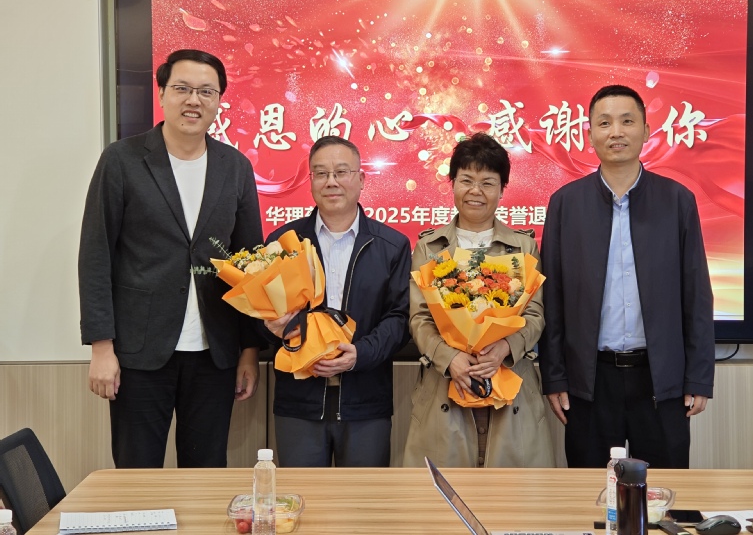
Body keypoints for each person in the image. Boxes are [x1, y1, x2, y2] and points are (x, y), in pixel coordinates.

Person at [78, 49, 263, 468]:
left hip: (214, 353)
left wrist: (249, 350)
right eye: (182, 88)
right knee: (137, 472)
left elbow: (251, 264)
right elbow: (95, 256)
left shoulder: (235, 167)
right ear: (161, 93)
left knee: (206, 472)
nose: (194, 100)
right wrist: (102, 347)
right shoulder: (122, 160)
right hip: (139, 352)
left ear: (219, 101)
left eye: (206, 91)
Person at [538, 84, 715, 469]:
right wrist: (554, 377)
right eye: (604, 123)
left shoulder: (677, 200)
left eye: (627, 121)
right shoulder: (565, 203)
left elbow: (697, 295)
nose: (616, 132)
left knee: (665, 491)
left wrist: (699, 377)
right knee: (591, 491)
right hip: (590, 380)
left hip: (660, 379)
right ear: (589, 135)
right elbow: (552, 299)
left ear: (646, 130)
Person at [402, 132, 555, 469]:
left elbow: (535, 314)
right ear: (452, 184)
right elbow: (420, 318)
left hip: (511, 386)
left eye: (487, 183)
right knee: (443, 495)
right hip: (446, 386)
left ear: (502, 189)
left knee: (513, 496)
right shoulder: (430, 247)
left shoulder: (523, 246)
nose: (475, 191)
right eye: (466, 180)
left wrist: (505, 348)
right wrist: (451, 358)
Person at [264, 136, 411, 467]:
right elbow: (262, 314)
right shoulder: (283, 243)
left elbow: (400, 319)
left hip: (365, 402)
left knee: (362, 498)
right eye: (321, 173)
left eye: (341, 172)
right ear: (310, 181)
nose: (331, 181)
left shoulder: (392, 246)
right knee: (300, 495)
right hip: (298, 402)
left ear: (361, 179)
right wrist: (271, 328)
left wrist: (359, 354)